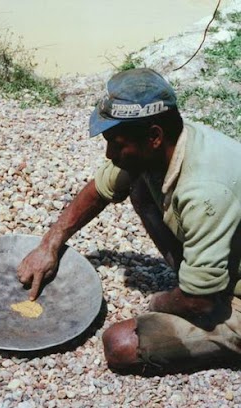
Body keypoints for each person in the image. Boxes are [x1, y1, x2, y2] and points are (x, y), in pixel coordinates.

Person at [17, 68, 241, 373]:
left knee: (120, 344)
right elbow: (99, 189)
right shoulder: (171, 144)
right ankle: (195, 275)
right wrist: (50, 244)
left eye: (117, 143)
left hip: (225, 296)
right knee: (137, 182)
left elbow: (199, 304)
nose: (110, 153)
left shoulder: (204, 192)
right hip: (218, 264)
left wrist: (160, 301)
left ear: (154, 137)